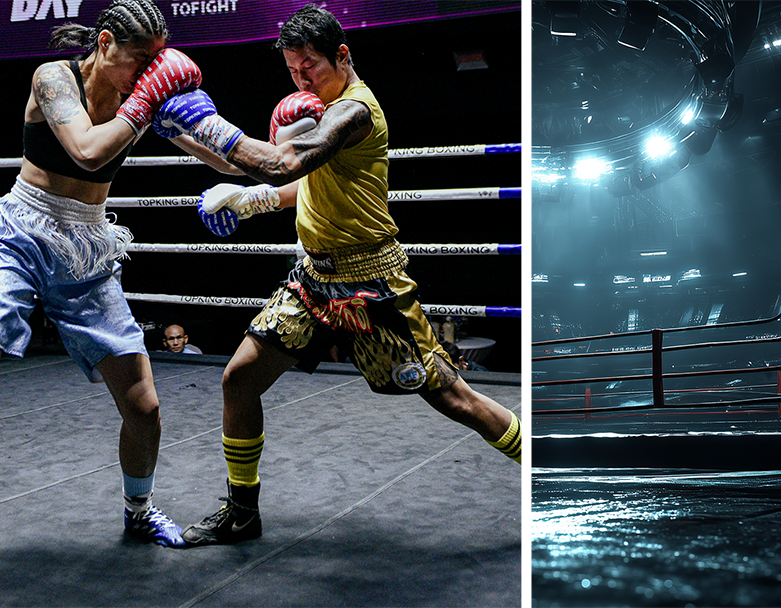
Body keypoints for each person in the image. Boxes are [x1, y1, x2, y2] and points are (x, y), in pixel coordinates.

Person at [0, 1, 210, 605]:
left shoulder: (143, 94)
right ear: (104, 44)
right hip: (21, 235)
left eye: (158, 60)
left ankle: (138, 508)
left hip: (87, 244)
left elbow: (229, 152)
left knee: (145, 406)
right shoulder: (55, 78)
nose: (149, 70)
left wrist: (271, 176)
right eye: (139, 59)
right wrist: (149, 101)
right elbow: (87, 150)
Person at [152, 3, 526, 547]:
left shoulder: (354, 113)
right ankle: (241, 512)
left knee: (455, 399)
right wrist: (181, 136)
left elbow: (281, 163)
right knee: (238, 379)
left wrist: (206, 123)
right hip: (310, 282)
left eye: (312, 67)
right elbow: (274, 173)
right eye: (292, 69)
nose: (302, 78)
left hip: (370, 284)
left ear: (342, 56)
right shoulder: (313, 109)